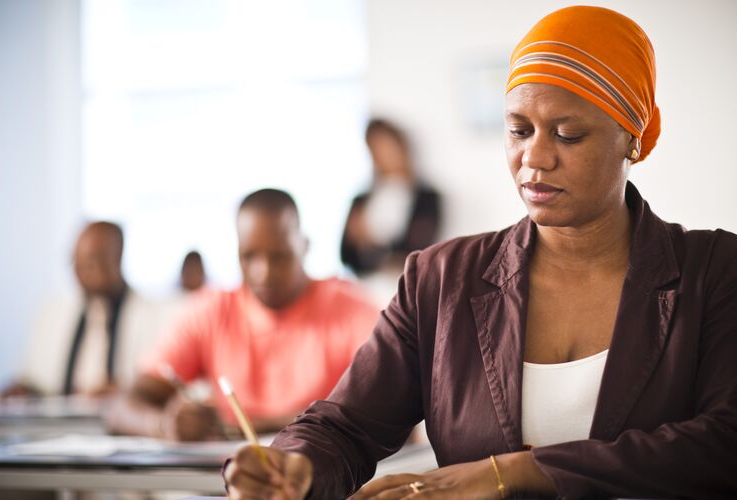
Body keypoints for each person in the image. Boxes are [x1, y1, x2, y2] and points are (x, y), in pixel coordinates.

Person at [223, 6, 737, 499]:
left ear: (633, 136)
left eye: (568, 133)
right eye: (517, 129)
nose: (533, 157)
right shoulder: (439, 280)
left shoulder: (714, 271)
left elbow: (722, 443)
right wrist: (295, 465)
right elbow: (346, 426)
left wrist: (515, 472)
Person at [107, 188, 380, 442]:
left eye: (279, 257)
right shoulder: (211, 312)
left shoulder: (353, 310)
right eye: (249, 256)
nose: (264, 272)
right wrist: (164, 424)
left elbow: (385, 413)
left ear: (305, 246)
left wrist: (245, 428)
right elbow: (121, 407)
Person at [0, 221, 166, 399]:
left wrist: (127, 392)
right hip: (57, 423)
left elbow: (162, 384)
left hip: (121, 423)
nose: (81, 273)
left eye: (92, 263)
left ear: (117, 259)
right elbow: (32, 378)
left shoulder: (153, 317)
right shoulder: (52, 313)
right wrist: (23, 390)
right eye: (76, 263)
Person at [341, 118, 441, 276]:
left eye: (386, 147)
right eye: (375, 150)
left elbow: (419, 254)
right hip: (368, 288)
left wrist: (370, 245)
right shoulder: (360, 200)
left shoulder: (426, 199)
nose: (382, 155)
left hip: (409, 288)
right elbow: (347, 256)